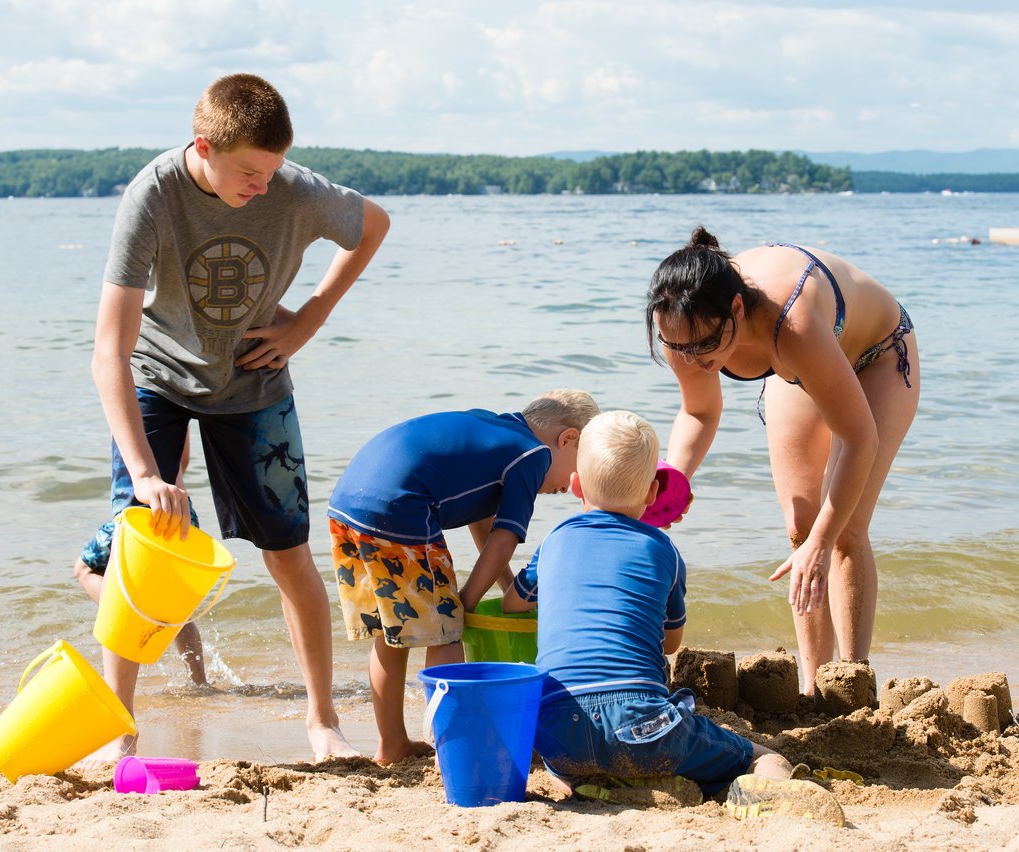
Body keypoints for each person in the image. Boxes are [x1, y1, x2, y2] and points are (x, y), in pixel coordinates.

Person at [83, 73, 391, 761]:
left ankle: (322, 725)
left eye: (274, 170)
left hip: (254, 383)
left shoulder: (292, 189)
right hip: (159, 379)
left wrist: (308, 320)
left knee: (289, 558)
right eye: (250, 172)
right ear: (205, 147)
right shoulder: (152, 198)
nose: (264, 186)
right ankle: (122, 735)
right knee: (139, 550)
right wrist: (143, 474)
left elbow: (373, 224)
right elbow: (110, 350)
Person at [501, 410, 842, 822]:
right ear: (652, 493)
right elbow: (670, 643)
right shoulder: (663, 551)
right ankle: (770, 788)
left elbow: (514, 603)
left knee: (559, 767)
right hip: (642, 723)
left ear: (575, 485)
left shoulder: (553, 541)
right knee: (757, 755)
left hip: (558, 731)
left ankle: (590, 788)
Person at [646, 228, 919, 694]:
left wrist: (824, 539)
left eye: (702, 346)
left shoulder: (791, 323)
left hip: (874, 353)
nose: (690, 359)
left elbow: (859, 439)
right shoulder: (682, 327)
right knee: (799, 526)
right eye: (679, 348)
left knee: (844, 529)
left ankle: (852, 682)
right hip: (797, 368)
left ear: (735, 310)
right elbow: (699, 410)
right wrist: (673, 481)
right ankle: (814, 688)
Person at [326, 389, 599, 764]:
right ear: (567, 439)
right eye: (578, 467)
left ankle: (392, 745)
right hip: (401, 507)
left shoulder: (499, 431)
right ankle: (451, 751)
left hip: (348, 504)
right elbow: (504, 540)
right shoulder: (533, 454)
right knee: (446, 632)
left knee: (393, 632)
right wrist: (464, 605)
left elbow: (483, 523)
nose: (569, 486)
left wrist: (508, 591)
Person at [74, 435, 206, 686]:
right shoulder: (175, 398)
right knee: (174, 605)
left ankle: (138, 617)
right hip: (182, 512)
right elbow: (183, 459)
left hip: (137, 518)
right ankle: (200, 682)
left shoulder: (129, 408)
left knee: (83, 569)